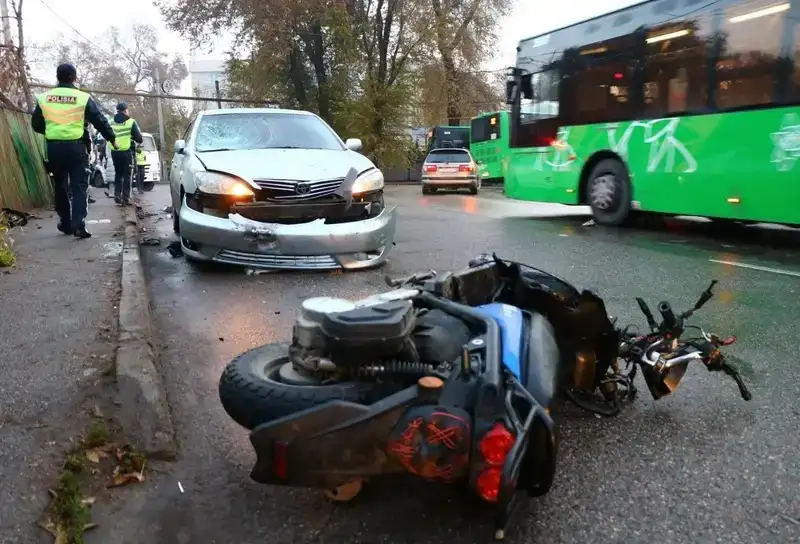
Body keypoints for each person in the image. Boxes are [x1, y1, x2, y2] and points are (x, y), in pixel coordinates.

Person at [31, 63, 117, 238]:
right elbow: (99, 120)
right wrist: (111, 138)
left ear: (57, 76)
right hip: (77, 148)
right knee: (79, 186)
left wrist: (52, 131)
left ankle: (65, 222)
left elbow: (36, 124)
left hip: (54, 148)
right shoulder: (82, 98)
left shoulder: (44, 98)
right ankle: (79, 225)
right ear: (74, 78)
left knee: (60, 186)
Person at [109, 102, 143, 206]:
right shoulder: (130, 121)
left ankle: (117, 195)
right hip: (126, 152)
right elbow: (139, 138)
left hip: (114, 151)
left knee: (118, 174)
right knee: (127, 175)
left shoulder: (111, 121)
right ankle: (125, 198)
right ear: (125, 110)